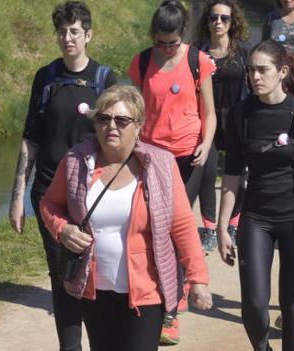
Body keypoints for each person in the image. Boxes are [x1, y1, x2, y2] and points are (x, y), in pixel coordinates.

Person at [40, 85, 213, 351]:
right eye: (103, 119)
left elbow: (182, 226)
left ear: (139, 125)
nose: (111, 126)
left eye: (121, 120)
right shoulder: (75, 162)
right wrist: (63, 230)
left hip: (146, 292)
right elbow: (49, 203)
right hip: (94, 289)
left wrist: (198, 278)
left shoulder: (160, 165)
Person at [10, 2, 117, 351]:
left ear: (88, 35)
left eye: (74, 31)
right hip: (50, 195)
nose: (67, 38)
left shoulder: (105, 80)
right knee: (64, 277)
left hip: (93, 194)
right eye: (61, 31)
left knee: (97, 274)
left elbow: (118, 142)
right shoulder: (46, 78)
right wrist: (17, 199)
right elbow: (31, 138)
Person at [217, 40, 294, 351]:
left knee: (291, 304)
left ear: (281, 72)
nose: (254, 76)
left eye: (262, 70)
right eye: (251, 70)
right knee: (254, 303)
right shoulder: (241, 115)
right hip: (256, 218)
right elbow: (231, 176)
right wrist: (222, 226)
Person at [128, 0, 217, 345]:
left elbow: (209, 113)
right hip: (152, 158)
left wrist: (206, 145)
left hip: (188, 157)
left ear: (183, 35)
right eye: (160, 42)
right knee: (156, 230)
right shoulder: (142, 61)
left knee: (175, 228)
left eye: (172, 42)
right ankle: (166, 294)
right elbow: (135, 107)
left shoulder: (199, 62)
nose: (165, 49)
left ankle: (172, 311)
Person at [192, 0, 251, 251]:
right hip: (206, 119)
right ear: (207, 21)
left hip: (237, 120)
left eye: (224, 18)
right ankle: (209, 227)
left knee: (239, 173)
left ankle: (234, 223)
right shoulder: (197, 51)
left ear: (232, 22)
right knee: (206, 171)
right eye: (214, 17)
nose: (218, 22)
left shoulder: (243, 52)